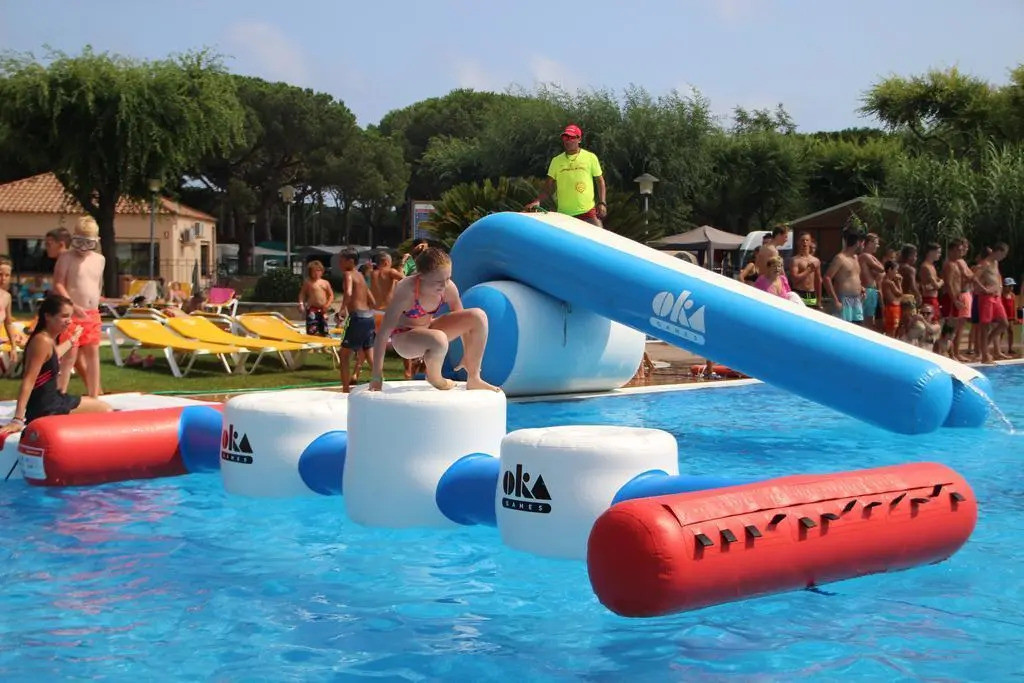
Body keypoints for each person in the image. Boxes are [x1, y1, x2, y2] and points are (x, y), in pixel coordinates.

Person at [370, 247, 499, 392]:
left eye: (448, 278)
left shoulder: (448, 287)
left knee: (478, 316)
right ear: (421, 276)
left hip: (429, 329)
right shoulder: (406, 291)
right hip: (404, 338)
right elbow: (383, 333)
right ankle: (435, 378)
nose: (444, 285)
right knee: (439, 339)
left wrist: (468, 354)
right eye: (438, 281)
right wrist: (376, 377)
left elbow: (463, 322)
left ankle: (474, 378)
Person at [0, 294, 111, 436]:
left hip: (54, 399)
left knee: (98, 405)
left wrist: (72, 340)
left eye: (70, 316)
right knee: (105, 410)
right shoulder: (42, 341)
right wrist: (17, 419)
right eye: (64, 316)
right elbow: (28, 381)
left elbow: (52, 357)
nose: (69, 321)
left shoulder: (47, 338)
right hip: (46, 408)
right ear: (48, 316)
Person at [53, 216, 105, 397]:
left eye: (88, 243)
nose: (83, 248)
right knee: (69, 355)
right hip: (72, 315)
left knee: (93, 354)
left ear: (96, 241)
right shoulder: (66, 258)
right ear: (73, 239)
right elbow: (58, 283)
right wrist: (72, 305)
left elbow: (96, 284)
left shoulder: (100, 259)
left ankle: (94, 395)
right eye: (78, 242)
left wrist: (98, 301)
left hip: (92, 314)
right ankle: (60, 394)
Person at [524, 124, 607, 226]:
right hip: (564, 216)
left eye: (572, 137)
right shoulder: (556, 161)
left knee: (598, 234)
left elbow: (600, 181)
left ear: (579, 139)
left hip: (588, 213)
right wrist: (537, 201)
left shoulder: (590, 157)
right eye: (565, 137)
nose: (568, 141)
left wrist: (602, 203)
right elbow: (548, 187)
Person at [337, 249, 377, 392]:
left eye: (341, 260)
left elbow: (348, 292)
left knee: (344, 355)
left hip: (357, 318)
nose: (339, 263)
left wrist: (342, 309)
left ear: (350, 261)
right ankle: (380, 383)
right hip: (368, 318)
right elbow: (372, 300)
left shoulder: (348, 274)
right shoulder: (360, 276)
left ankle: (345, 389)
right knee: (369, 353)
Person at [823, 231, 867, 324]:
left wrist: (861, 288)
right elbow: (827, 278)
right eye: (863, 243)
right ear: (858, 243)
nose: (863, 246)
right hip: (844, 300)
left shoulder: (855, 258)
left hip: (857, 300)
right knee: (844, 327)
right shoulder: (840, 258)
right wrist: (835, 300)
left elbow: (853, 277)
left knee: (857, 327)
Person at [298, 260, 334, 336]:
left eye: (318, 271)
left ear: (322, 271)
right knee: (312, 329)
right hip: (312, 310)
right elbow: (302, 294)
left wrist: (327, 305)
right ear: (310, 272)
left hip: (323, 310)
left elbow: (331, 295)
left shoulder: (325, 283)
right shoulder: (308, 282)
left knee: (324, 330)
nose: (316, 273)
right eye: (314, 271)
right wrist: (301, 304)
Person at [789, 232, 821, 308]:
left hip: (811, 294)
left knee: (810, 314)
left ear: (810, 242)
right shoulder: (795, 260)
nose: (805, 242)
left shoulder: (815, 260)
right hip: (799, 293)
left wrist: (819, 300)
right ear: (798, 242)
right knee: (797, 314)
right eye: (802, 240)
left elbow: (818, 281)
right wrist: (809, 270)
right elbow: (794, 279)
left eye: (807, 240)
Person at [880, 260, 904, 337]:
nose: (896, 272)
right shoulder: (890, 282)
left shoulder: (884, 281)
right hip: (893, 308)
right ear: (890, 270)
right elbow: (899, 293)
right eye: (896, 270)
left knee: (890, 330)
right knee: (892, 331)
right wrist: (899, 282)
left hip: (891, 307)